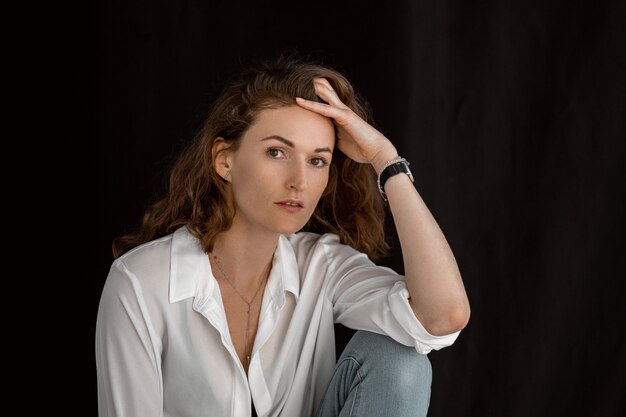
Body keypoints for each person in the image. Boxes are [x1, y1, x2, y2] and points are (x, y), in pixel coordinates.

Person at [95, 54, 471, 417]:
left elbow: (443, 316)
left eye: (317, 160)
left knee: (401, 360)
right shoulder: (141, 282)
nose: (299, 181)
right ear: (224, 160)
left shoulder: (320, 266)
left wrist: (385, 160)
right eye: (277, 152)